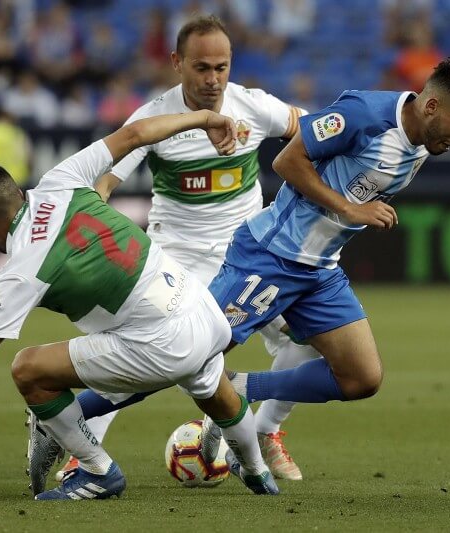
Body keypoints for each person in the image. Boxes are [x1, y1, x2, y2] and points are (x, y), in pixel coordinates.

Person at [0, 109, 280, 500]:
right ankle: (258, 472)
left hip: (163, 341)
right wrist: (205, 117)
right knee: (215, 394)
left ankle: (98, 470)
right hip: (201, 307)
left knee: (28, 369)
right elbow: (134, 134)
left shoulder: (23, 265)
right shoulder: (62, 178)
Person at [62, 14, 321, 482]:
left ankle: (265, 431)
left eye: (222, 67)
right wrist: (93, 214)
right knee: (132, 354)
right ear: (177, 63)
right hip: (176, 262)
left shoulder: (254, 106)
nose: (213, 79)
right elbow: (106, 179)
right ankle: (85, 450)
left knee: (310, 339)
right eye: (202, 68)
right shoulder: (153, 118)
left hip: (249, 257)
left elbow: (311, 130)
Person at [199, 57, 450, 446]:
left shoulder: (424, 143)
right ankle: (90, 420)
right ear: (432, 106)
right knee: (187, 354)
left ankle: (236, 389)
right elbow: (286, 160)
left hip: (320, 271)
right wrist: (349, 208)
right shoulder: (363, 115)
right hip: (273, 256)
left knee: (362, 377)